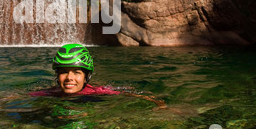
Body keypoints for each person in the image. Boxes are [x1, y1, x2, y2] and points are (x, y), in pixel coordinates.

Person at [30, 44, 167, 109]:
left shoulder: (97, 92)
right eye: (64, 72)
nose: (69, 78)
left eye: (77, 72)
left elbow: (130, 93)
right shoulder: (50, 92)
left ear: (86, 77)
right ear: (57, 75)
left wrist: (159, 103)